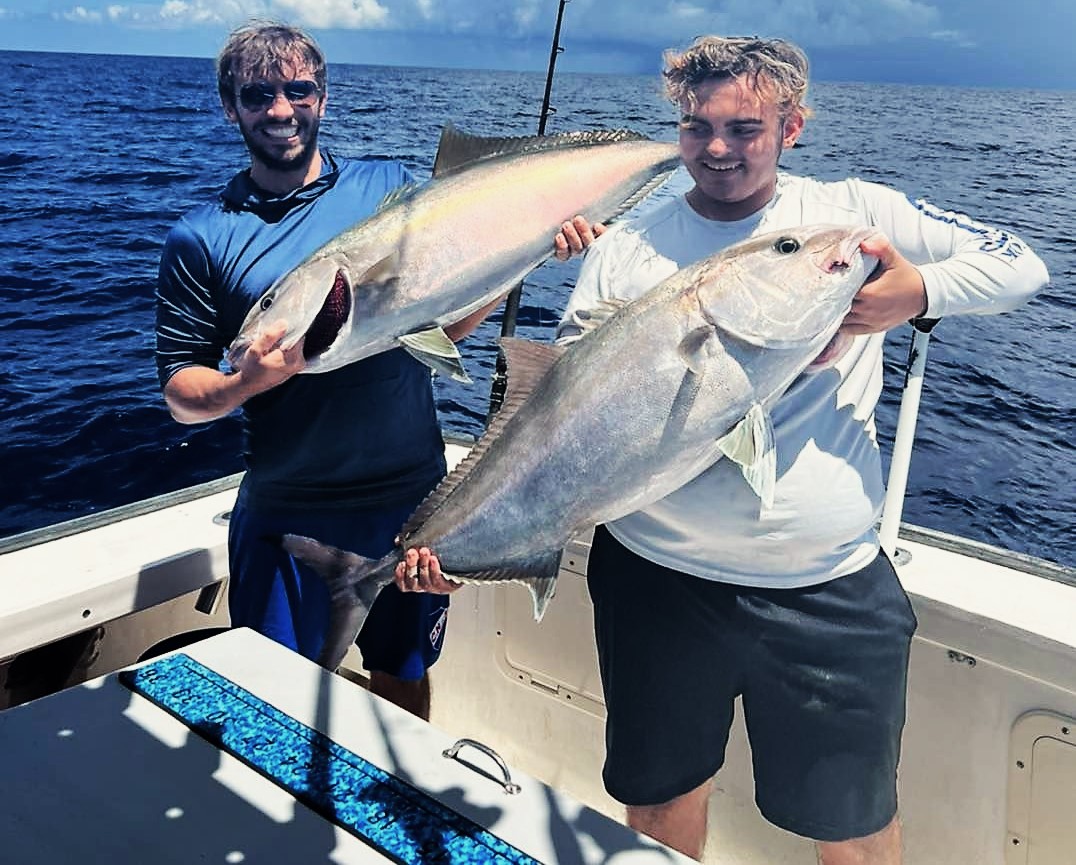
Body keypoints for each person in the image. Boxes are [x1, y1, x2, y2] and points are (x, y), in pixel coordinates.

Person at [394, 35, 1048, 861]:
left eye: (744, 128)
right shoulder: (630, 244)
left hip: (825, 584)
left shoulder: (852, 217)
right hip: (655, 586)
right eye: (696, 126)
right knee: (660, 810)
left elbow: (1022, 264)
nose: (716, 149)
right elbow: (554, 413)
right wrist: (476, 540)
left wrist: (913, 291)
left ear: (792, 127)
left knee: (854, 827)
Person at [155, 20, 597, 720]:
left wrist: (537, 249)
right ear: (228, 106)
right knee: (271, 699)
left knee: (403, 676)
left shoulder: (387, 189)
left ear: (323, 99)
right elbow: (182, 389)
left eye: (298, 90)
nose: (280, 109)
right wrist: (244, 383)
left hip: (413, 500)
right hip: (287, 506)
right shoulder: (203, 236)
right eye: (257, 94)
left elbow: (445, 325)